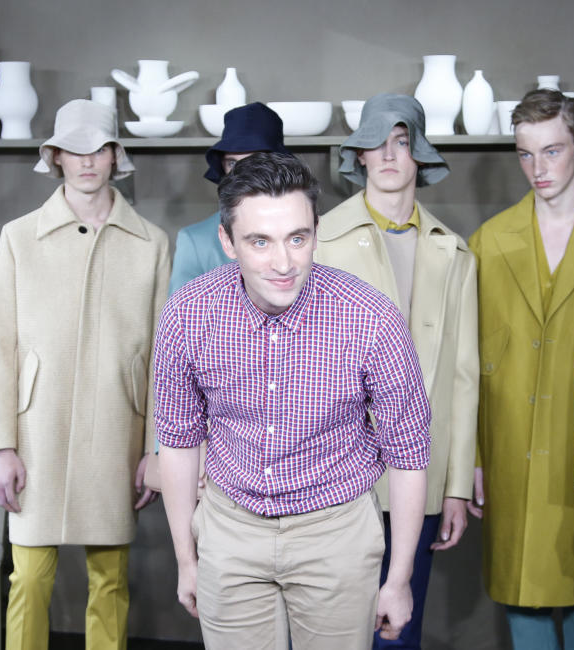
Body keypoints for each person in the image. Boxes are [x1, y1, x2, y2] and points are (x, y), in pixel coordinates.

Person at [153, 152, 431, 650]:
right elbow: (177, 441)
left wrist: (400, 578)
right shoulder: (187, 314)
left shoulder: (371, 318)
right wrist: (187, 560)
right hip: (229, 530)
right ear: (227, 241)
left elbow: (408, 454)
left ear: (315, 233)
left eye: (297, 238)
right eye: (259, 241)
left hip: (336, 534)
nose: (283, 263)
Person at [0, 98, 169, 650]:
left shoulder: (152, 243)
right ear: (56, 158)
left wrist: (156, 447)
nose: (89, 160)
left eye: (101, 148)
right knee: (30, 578)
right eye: (75, 149)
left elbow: (163, 357)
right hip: (36, 435)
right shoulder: (19, 238)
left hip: (116, 432)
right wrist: (3, 446)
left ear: (116, 157)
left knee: (110, 581)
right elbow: (0, 347)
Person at [315, 93, 478, 650]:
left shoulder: (454, 252)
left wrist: (456, 486)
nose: (388, 154)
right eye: (375, 142)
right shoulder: (318, 241)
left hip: (421, 473)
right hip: (334, 475)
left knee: (398, 631)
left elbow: (464, 375)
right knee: (328, 631)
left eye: (402, 141)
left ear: (419, 155)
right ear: (357, 156)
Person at [467, 88, 574, 650]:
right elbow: (470, 366)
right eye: (525, 154)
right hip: (511, 459)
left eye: (553, 151)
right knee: (523, 609)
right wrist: (476, 459)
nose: (538, 169)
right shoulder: (488, 241)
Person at [169, 101, 293, 294]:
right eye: (233, 164)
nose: (243, 173)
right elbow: (182, 318)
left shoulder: (307, 234)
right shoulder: (196, 240)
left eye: (255, 161)